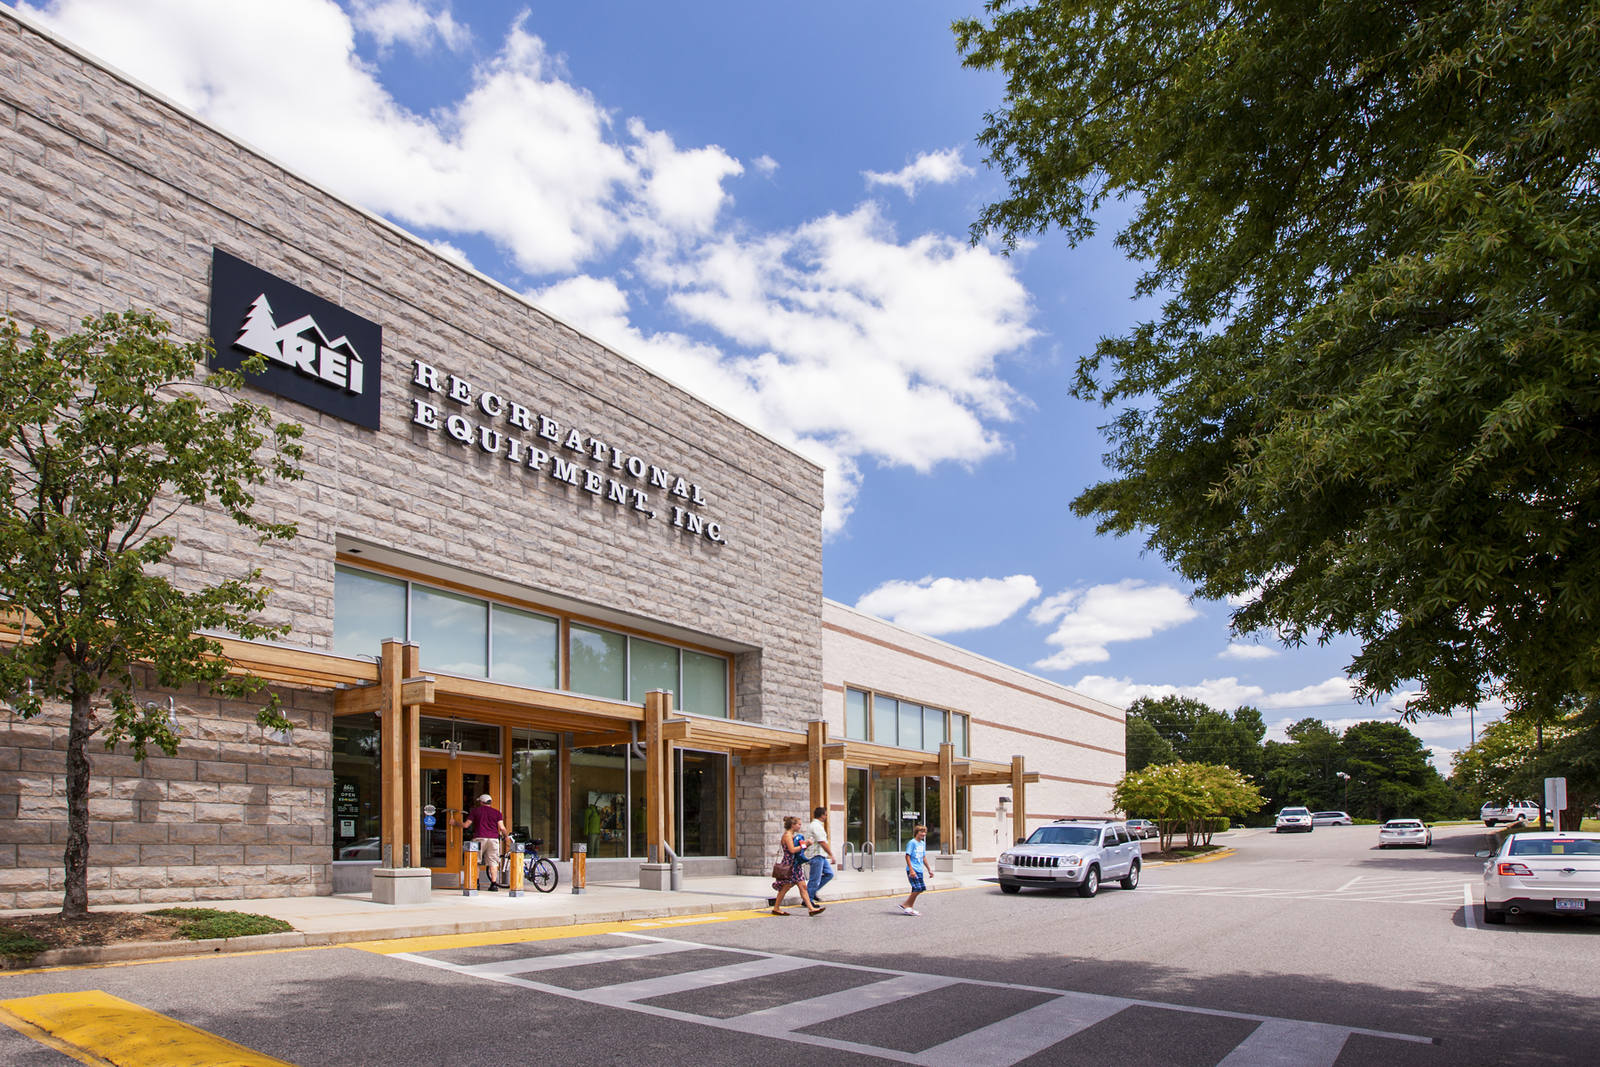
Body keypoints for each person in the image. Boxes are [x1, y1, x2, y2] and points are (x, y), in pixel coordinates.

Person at [771, 815, 824, 916]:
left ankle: (811, 909)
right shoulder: (787, 836)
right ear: (793, 825)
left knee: (803, 886)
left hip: (796, 865)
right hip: (790, 865)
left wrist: (804, 844)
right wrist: (805, 844)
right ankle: (776, 908)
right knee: (785, 887)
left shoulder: (792, 835)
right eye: (799, 824)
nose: (800, 826)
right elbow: (792, 850)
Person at [460, 793, 508, 892]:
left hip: (479, 838)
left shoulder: (475, 811)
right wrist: (506, 837)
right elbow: (502, 827)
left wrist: (455, 823)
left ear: (481, 802)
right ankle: (494, 884)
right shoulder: (497, 813)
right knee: (493, 862)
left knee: (476, 861)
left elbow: (466, 825)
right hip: (493, 839)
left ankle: (476, 883)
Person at [805, 805, 836, 903]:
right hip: (816, 856)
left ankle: (812, 892)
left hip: (821, 856)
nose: (826, 817)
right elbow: (822, 842)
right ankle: (807, 899)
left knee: (829, 874)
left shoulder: (817, 825)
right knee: (814, 878)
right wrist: (831, 854)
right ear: (822, 815)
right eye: (825, 815)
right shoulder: (816, 826)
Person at [900, 824, 932, 915]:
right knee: (917, 888)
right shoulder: (912, 842)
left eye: (925, 832)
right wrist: (911, 870)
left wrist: (929, 869)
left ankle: (909, 907)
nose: (923, 834)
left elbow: (923, 857)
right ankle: (906, 904)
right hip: (913, 869)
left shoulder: (922, 844)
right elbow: (907, 856)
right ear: (916, 833)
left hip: (919, 869)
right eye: (921, 832)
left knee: (920, 888)